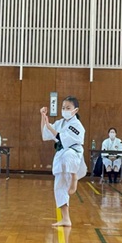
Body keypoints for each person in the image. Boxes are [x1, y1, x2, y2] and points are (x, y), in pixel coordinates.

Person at [40, 97, 86, 228]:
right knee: (59, 186)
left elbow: (61, 137)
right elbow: (45, 134)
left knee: (68, 154)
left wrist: (49, 126)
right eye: (63, 108)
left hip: (74, 154)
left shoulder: (77, 125)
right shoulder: (60, 123)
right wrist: (43, 117)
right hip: (61, 156)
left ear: (75, 110)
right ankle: (66, 219)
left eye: (68, 108)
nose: (65, 110)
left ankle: (74, 177)